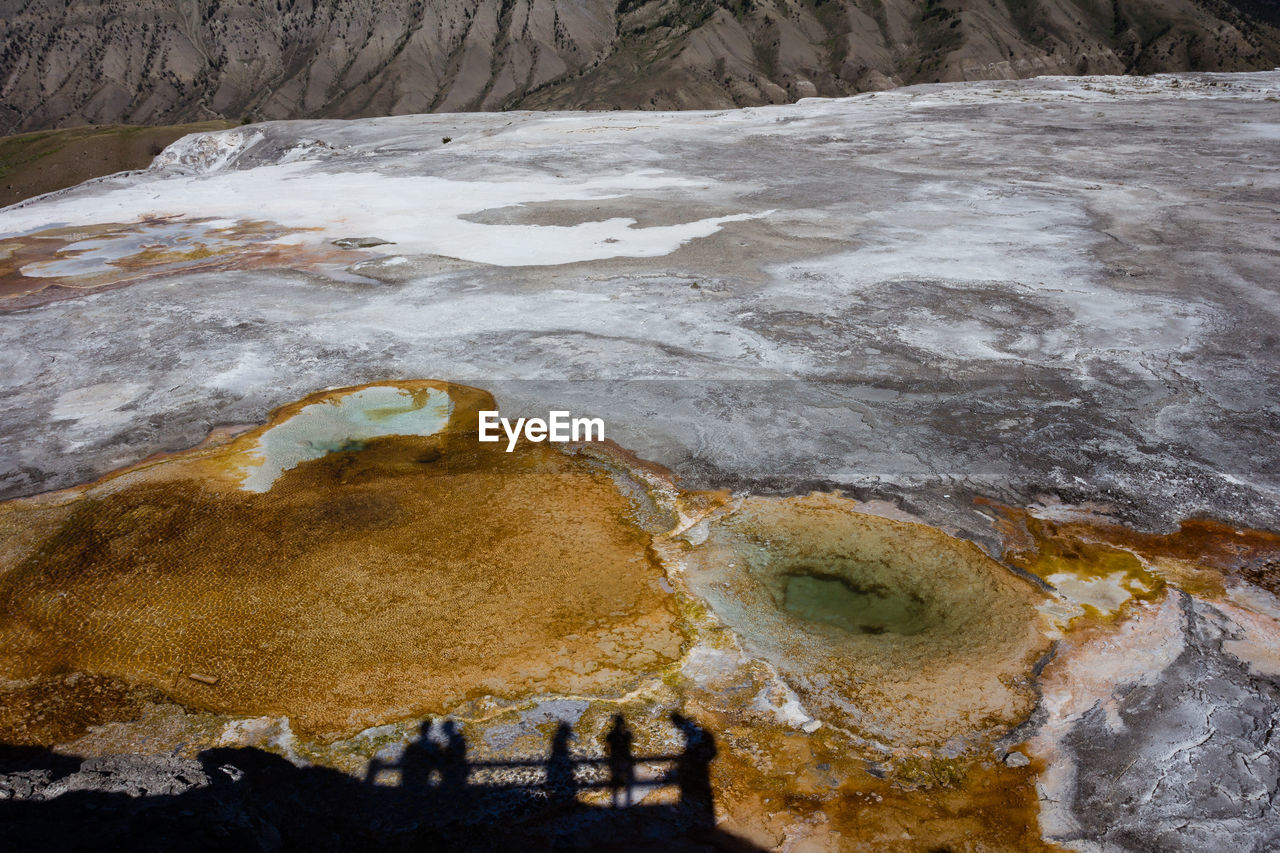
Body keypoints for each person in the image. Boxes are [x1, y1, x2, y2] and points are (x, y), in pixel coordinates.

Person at [670, 713, 717, 829]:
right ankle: (698, 819)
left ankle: (700, 821)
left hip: (699, 768)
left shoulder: (702, 736)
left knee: (696, 789)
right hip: (698, 767)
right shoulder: (702, 736)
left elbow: (712, 752)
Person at [604, 714, 635, 807]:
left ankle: (615, 797)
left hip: (616, 756)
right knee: (620, 771)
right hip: (620, 756)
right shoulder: (625, 734)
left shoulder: (613, 735)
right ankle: (618, 796)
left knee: (617, 771)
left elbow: (608, 745)